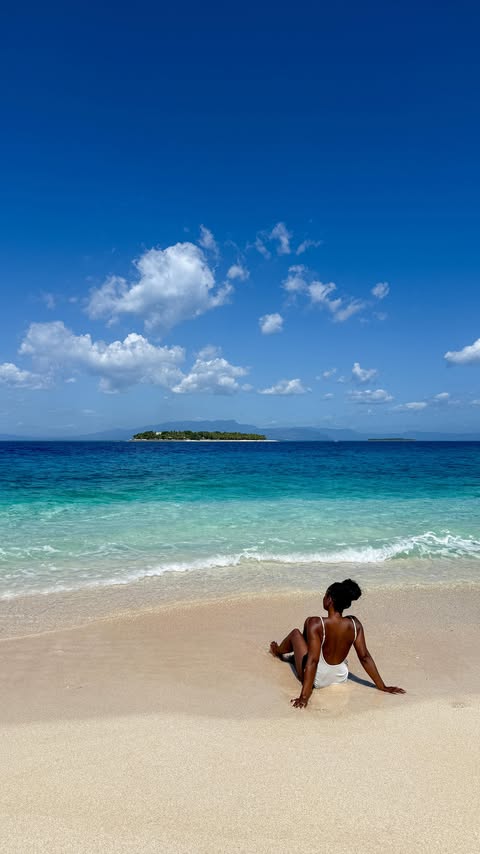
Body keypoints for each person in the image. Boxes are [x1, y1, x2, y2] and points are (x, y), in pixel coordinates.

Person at [270, 578, 405, 708]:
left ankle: (278, 651)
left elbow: (313, 661)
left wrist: (304, 697)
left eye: (325, 595)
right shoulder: (354, 624)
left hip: (317, 680)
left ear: (329, 599)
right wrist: (382, 686)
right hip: (340, 677)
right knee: (308, 638)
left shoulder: (316, 623)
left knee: (295, 633)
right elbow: (364, 657)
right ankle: (293, 657)